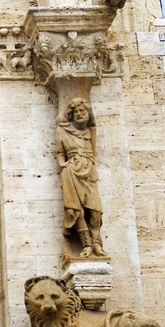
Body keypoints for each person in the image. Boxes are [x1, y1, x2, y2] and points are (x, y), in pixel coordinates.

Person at [55, 98, 107, 259]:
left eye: (82, 111)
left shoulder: (90, 130)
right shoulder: (63, 130)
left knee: (96, 209)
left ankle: (97, 243)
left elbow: (93, 125)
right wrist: (63, 165)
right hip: (72, 171)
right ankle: (87, 245)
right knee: (77, 209)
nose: (79, 114)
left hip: (89, 171)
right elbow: (59, 153)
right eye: (76, 112)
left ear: (88, 114)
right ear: (71, 114)